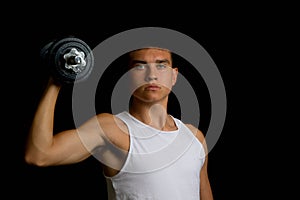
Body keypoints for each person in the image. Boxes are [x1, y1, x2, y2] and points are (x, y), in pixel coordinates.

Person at [24, 46, 214, 200]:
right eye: (140, 66)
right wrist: (56, 80)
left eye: (161, 66)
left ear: (174, 76)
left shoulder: (194, 136)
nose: (152, 75)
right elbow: (39, 155)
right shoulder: (110, 129)